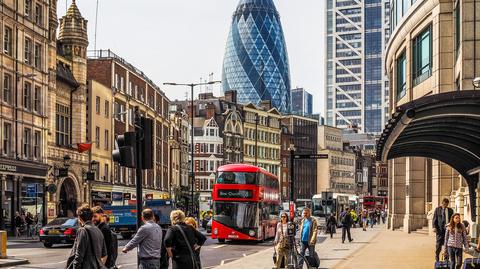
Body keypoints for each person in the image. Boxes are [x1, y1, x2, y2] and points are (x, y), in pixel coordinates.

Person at [65, 204, 107, 269]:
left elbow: (79, 256)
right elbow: (104, 254)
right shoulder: (98, 230)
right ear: (91, 217)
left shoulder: (82, 230)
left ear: (79, 218)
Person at [433, 198, 454, 262]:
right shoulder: (437, 209)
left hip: (447, 230)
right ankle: (437, 256)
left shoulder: (450, 210)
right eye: (444, 204)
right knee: (438, 245)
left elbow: (452, 220)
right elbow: (435, 219)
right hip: (439, 230)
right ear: (442, 203)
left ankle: (446, 258)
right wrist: (434, 227)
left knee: (447, 244)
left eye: (447, 204)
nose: (445, 206)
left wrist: (451, 227)